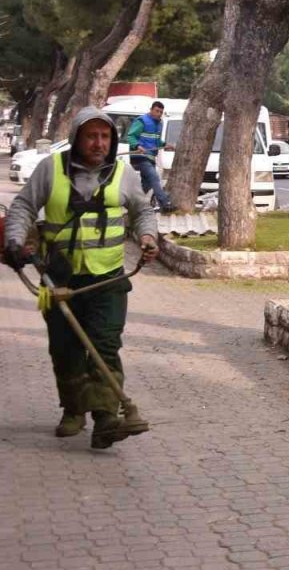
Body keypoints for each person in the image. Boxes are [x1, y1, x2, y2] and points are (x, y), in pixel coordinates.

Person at [4, 107, 160, 448]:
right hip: (58, 278)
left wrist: (149, 238)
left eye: (104, 137)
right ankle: (74, 410)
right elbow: (23, 207)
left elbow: (143, 211)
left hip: (108, 279)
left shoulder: (124, 174)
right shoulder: (51, 170)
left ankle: (106, 417)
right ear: (76, 138)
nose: (98, 143)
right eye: (91, 136)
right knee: (66, 349)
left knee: (105, 345)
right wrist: (15, 241)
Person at [126, 100, 174, 212]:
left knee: (146, 184)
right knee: (154, 177)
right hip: (140, 156)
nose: (159, 114)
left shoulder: (159, 124)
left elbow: (155, 141)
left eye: (161, 112)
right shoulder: (141, 121)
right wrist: (137, 146)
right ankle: (165, 203)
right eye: (157, 111)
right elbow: (131, 136)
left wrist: (164, 145)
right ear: (151, 110)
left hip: (151, 157)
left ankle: (133, 204)